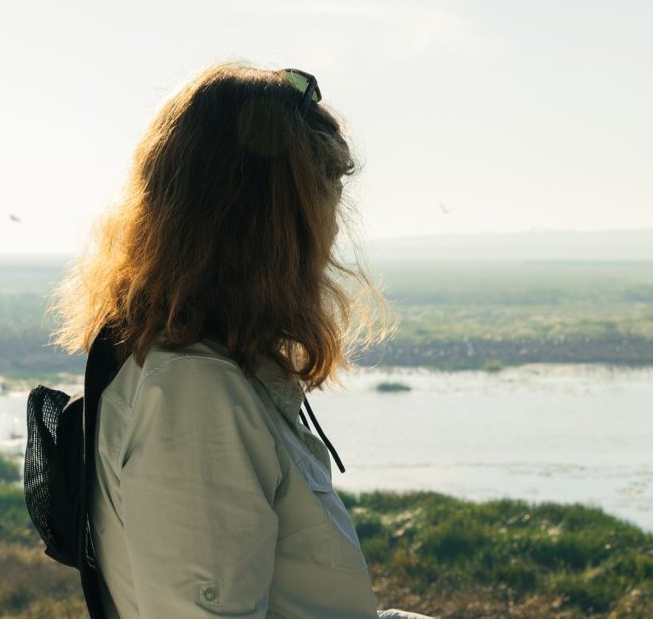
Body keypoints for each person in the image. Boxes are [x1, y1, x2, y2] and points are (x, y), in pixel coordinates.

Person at [49, 62, 430, 619]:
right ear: (270, 224)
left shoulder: (199, 372)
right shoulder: (195, 397)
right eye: (322, 195)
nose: (333, 228)